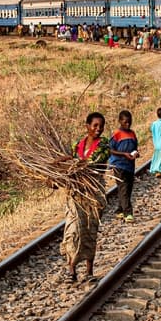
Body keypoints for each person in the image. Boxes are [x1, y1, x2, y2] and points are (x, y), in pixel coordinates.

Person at [63, 112, 110, 284]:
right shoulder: (77, 145)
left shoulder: (104, 145)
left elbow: (91, 163)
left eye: (101, 126)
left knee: (90, 230)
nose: (98, 129)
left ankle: (89, 271)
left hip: (93, 193)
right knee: (73, 229)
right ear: (87, 126)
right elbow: (71, 164)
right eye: (95, 126)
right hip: (75, 193)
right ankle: (71, 269)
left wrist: (71, 165)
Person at [108, 110, 139, 223]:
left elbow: (135, 147)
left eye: (129, 122)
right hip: (118, 164)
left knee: (128, 188)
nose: (128, 124)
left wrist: (136, 153)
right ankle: (128, 213)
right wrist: (124, 154)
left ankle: (120, 210)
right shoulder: (116, 134)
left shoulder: (132, 133)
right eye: (125, 122)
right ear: (120, 121)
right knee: (124, 188)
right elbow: (110, 149)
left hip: (130, 165)